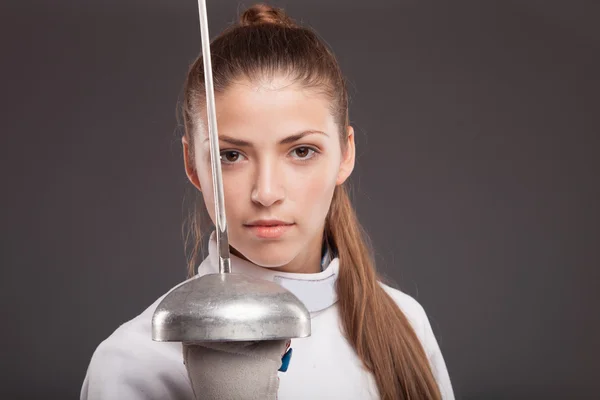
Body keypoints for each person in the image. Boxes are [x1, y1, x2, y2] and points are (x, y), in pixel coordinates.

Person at [80, 3, 454, 400]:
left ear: (346, 154)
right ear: (193, 164)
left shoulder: (405, 324)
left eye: (302, 151)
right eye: (231, 155)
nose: (266, 192)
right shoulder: (135, 363)